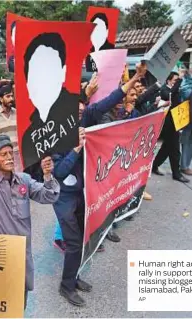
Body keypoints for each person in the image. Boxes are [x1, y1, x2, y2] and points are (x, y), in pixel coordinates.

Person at [52, 64, 148, 306]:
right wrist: (76, 148)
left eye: (82, 108)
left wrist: (135, 77)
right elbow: (59, 172)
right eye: (76, 109)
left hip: (84, 191)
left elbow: (110, 100)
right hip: (64, 196)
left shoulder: (85, 115)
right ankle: (66, 286)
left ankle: (74, 277)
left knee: (84, 240)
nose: (81, 113)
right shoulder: (52, 134)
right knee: (73, 243)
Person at [0, 96, 60, 307]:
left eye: (10, 153)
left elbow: (49, 196)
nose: (9, 157)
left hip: (21, 257)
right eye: (3, 154)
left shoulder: (23, 180)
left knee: (19, 304)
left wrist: (48, 175)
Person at [21, 33, 80, 167]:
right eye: (36, 72)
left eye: (49, 71)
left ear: (63, 73)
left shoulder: (77, 111)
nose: (42, 81)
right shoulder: (28, 137)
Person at [152, 71, 190, 183]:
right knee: (175, 149)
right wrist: (179, 81)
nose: (177, 83)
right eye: (175, 80)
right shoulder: (164, 89)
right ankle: (176, 173)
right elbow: (170, 95)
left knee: (167, 148)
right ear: (169, 80)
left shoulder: (175, 90)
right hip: (167, 124)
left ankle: (154, 165)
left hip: (175, 122)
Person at [0, 85, 21, 171]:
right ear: (0, 99)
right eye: (8, 96)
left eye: (12, 96)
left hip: (18, 156)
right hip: (2, 156)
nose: (11, 99)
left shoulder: (18, 113)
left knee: (19, 182)